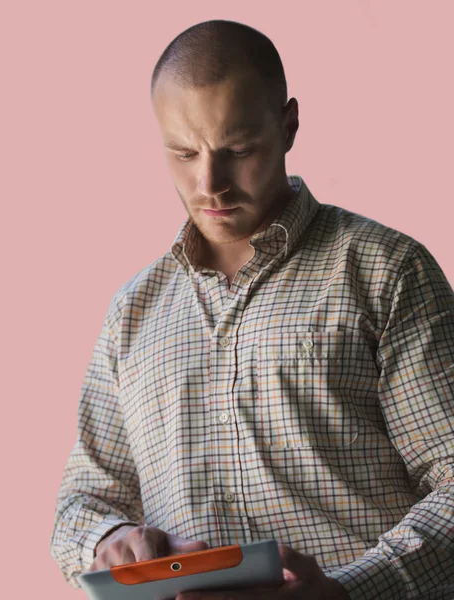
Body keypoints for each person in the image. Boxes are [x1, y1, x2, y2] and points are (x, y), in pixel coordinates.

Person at [50, 19, 454, 600]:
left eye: (237, 150)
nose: (209, 183)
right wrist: (106, 538)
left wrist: (349, 592)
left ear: (288, 125)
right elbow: (82, 501)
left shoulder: (386, 272)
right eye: (184, 152)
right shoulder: (132, 312)